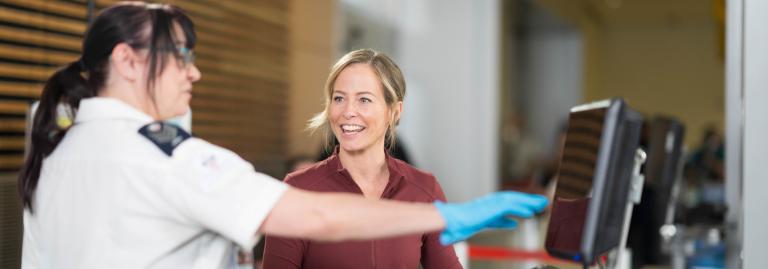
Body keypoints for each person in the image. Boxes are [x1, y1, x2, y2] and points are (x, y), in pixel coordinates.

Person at [18, 2, 548, 269]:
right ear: (127, 61)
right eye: (180, 56)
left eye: (366, 99)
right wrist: (446, 215)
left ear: (394, 111)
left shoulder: (52, 147)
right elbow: (314, 214)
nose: (193, 72)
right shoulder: (169, 157)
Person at [263, 49, 460, 268]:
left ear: (394, 112)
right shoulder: (297, 190)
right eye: (339, 98)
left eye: (364, 99)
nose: (348, 111)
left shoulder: (424, 189)